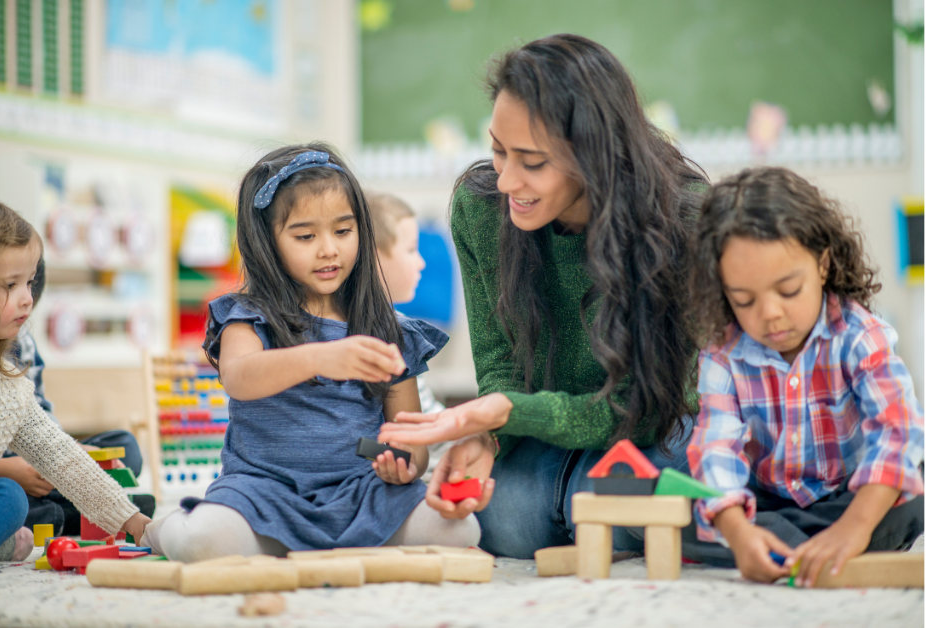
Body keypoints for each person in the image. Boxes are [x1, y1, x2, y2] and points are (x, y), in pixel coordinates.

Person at [379, 34, 706, 558]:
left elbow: (643, 406)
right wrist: (488, 437)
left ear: (595, 157)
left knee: (686, 485)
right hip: (543, 435)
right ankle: (588, 510)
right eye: (497, 150)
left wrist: (502, 414)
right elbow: (501, 365)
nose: (507, 180)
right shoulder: (480, 208)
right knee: (508, 520)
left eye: (532, 162)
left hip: (651, 430)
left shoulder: (681, 217)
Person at [143, 145, 480, 562]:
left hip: (361, 492)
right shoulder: (247, 316)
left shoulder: (389, 329)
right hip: (263, 490)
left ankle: (299, 545)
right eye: (305, 236)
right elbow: (240, 377)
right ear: (268, 243)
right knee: (201, 542)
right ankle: (163, 528)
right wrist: (320, 357)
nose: (329, 250)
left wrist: (401, 462)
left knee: (461, 529)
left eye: (343, 231)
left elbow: (410, 442)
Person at [682, 167, 925, 586]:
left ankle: (822, 540)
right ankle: (784, 544)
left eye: (788, 290)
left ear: (824, 264)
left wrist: (855, 526)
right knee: (684, 513)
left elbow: (898, 432)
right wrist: (738, 533)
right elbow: (716, 448)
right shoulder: (723, 355)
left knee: (911, 497)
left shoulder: (858, 337)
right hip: (769, 500)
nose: (770, 313)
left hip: (853, 494)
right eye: (744, 300)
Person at [0, 201, 151, 561]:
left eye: (29, 282)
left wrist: (133, 521)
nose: (28, 299)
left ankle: (6, 540)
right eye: (11, 285)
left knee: (8, 499)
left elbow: (59, 456)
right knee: (10, 498)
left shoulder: (6, 385)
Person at [365, 191, 450, 481]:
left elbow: (430, 426)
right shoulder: (386, 332)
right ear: (372, 258)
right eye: (412, 249)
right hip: (424, 471)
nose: (422, 263)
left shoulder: (399, 327)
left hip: (434, 456)